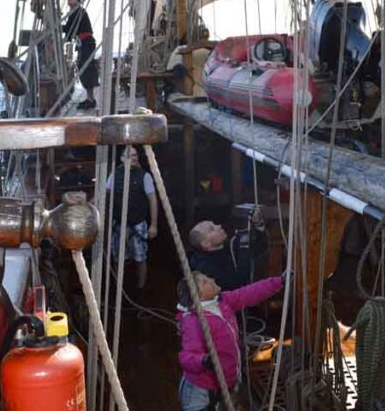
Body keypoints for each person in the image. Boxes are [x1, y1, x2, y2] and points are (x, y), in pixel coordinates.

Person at [176, 271, 284, 410]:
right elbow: (186, 357)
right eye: (204, 281)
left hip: (224, 382)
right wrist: (204, 360)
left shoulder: (223, 301)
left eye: (207, 276)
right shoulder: (194, 322)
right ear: (199, 296)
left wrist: (279, 282)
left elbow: (249, 293)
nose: (211, 278)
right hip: (201, 389)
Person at [105, 145, 158, 290]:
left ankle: (141, 289)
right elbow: (104, 193)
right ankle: (119, 288)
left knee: (140, 258)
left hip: (137, 224)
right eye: (129, 155)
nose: (133, 158)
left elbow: (152, 200)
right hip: (119, 224)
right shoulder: (114, 175)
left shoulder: (144, 176)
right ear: (122, 158)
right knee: (118, 258)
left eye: (135, 155)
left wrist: (153, 225)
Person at [188, 207, 268, 290]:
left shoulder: (231, 244)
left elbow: (261, 247)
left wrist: (258, 226)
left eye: (214, 224)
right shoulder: (204, 268)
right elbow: (233, 284)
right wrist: (243, 250)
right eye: (211, 229)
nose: (218, 226)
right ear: (206, 244)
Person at [63, 0, 99, 110]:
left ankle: (91, 99)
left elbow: (69, 29)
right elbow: (69, 30)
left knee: (86, 68)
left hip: (87, 42)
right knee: (83, 68)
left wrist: (59, 27)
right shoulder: (73, 14)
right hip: (82, 44)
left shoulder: (80, 12)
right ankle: (89, 98)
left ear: (78, 1)